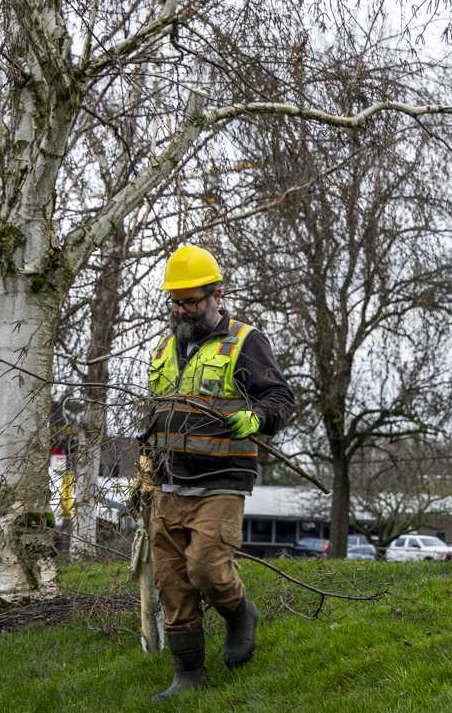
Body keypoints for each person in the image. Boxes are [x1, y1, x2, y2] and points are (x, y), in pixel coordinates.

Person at [142, 244, 295, 700]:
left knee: (207, 569)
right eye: (177, 301)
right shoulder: (164, 349)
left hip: (221, 482)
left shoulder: (245, 342)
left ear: (217, 296)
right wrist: (145, 469)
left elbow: (281, 399)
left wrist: (256, 419)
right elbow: (154, 414)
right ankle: (188, 677)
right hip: (168, 484)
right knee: (173, 583)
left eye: (192, 300)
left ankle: (239, 612)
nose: (183, 309)